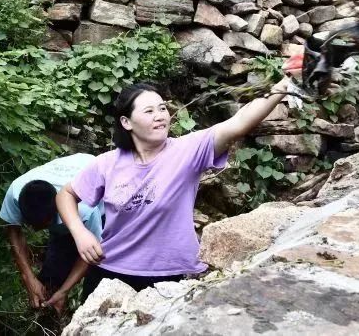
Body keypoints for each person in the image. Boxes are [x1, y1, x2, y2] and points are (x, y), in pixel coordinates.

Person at [52, 62, 300, 302]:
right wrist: (80, 232)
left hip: (167, 275)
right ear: (126, 122)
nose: (160, 116)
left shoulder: (188, 151)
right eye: (149, 111)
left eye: (162, 108)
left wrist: (286, 82)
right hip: (109, 271)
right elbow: (66, 194)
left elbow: (240, 121)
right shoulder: (107, 163)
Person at [0, 154, 104, 313]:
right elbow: (14, 231)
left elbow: (90, 255)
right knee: (52, 274)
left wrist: (65, 291)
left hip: (102, 190)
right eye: (30, 225)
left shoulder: (86, 210)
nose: (33, 231)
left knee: (97, 274)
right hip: (65, 191)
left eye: (39, 226)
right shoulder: (15, 192)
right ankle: (49, 309)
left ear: (53, 216)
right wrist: (28, 277)